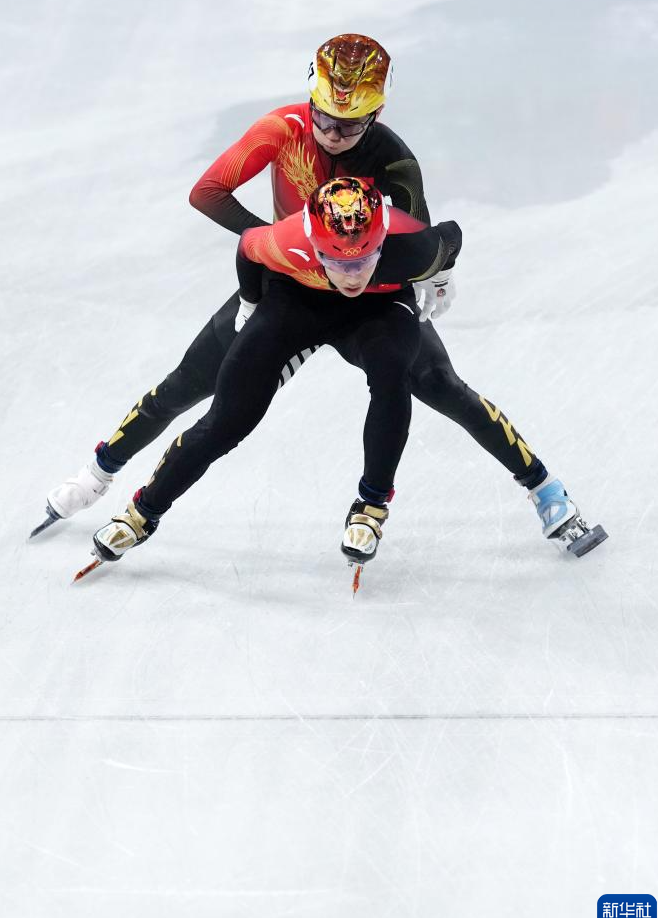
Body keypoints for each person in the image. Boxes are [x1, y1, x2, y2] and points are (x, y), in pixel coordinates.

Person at [36, 33, 604, 555]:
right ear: (311, 98)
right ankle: (96, 476)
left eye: (349, 127)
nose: (332, 133)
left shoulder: (394, 160)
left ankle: (546, 491)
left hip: (372, 290)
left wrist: (432, 269)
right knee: (189, 384)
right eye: (324, 118)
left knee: (439, 385)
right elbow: (208, 192)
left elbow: (423, 238)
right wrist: (293, 244)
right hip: (293, 281)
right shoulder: (281, 129)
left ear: (377, 114)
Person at [89, 177, 462, 570]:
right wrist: (250, 302)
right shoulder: (288, 238)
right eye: (338, 262)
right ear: (314, 243)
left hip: (379, 310)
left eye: (364, 259)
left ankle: (371, 505)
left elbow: (451, 235)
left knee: (392, 376)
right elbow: (247, 246)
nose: (353, 276)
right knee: (226, 421)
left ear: (382, 239)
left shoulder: (415, 245)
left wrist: (442, 275)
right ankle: (142, 513)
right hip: (298, 303)